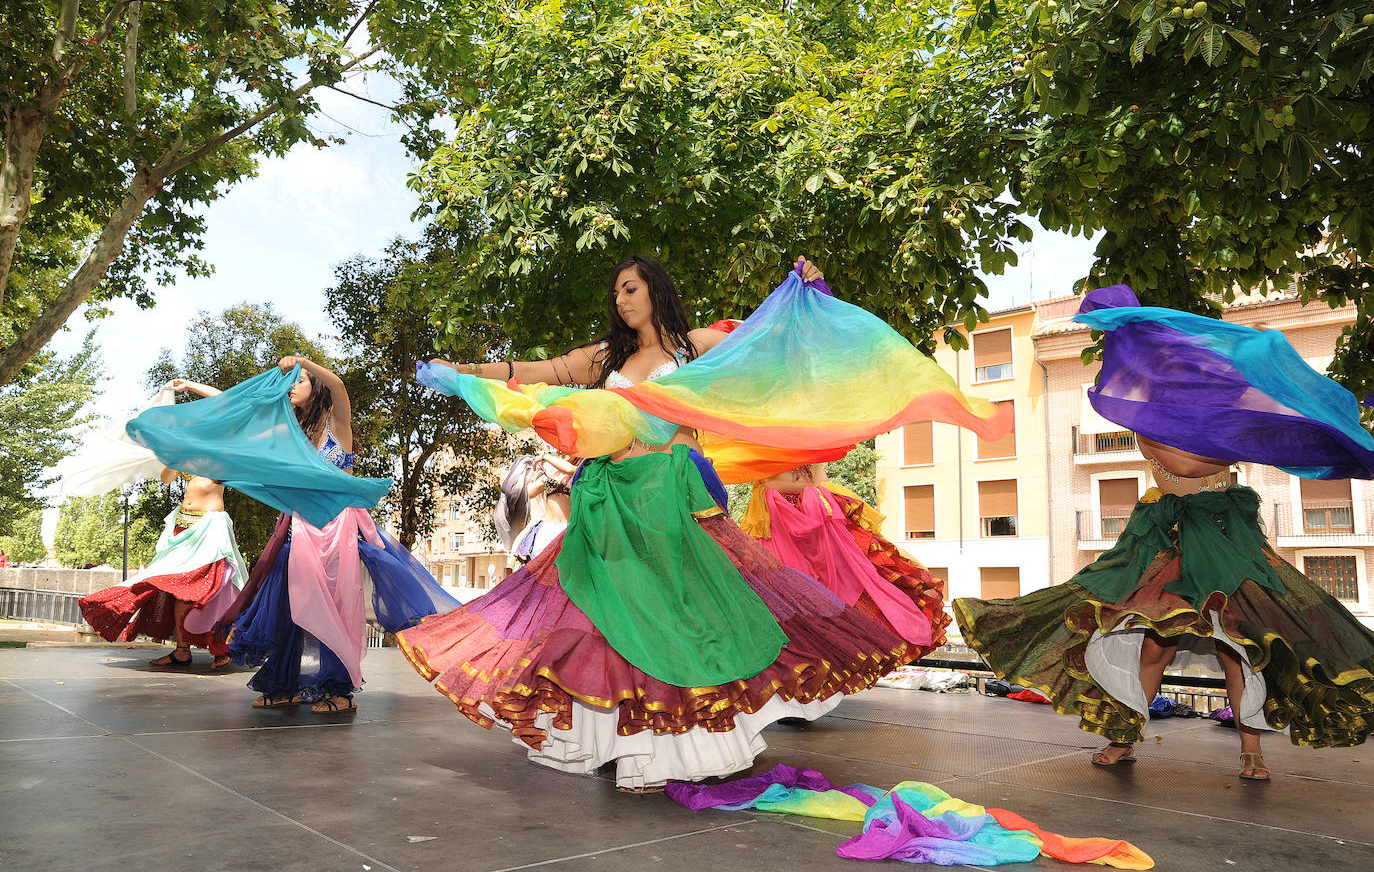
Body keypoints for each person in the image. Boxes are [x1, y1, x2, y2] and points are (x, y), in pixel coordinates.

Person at [400, 256, 917, 791]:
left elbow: (770, 346)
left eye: (630, 288)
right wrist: (463, 373)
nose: (621, 300)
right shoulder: (604, 357)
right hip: (611, 499)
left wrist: (806, 294)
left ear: (654, 289)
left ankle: (672, 753)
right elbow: (529, 375)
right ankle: (629, 751)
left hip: (674, 494)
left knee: (681, 614)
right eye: (616, 293)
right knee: (613, 617)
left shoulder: (693, 346)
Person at [954, 286, 1374, 782]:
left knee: (1237, 649)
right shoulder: (1151, 423)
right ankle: (1124, 740)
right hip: (1163, 535)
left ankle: (1252, 752)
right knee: (1155, 644)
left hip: (1220, 534)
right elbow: (1176, 460)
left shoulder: (1214, 428)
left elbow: (1196, 461)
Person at [224, 357, 459, 714]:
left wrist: (302, 361)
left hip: (336, 531)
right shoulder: (294, 435)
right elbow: (247, 419)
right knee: (290, 603)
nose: (290, 387)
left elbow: (338, 386)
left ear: (314, 386)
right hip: (298, 526)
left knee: (336, 605)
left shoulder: (338, 426)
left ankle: (340, 689)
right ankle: (284, 684)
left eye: (297, 381)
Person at [78, 379, 248, 669]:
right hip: (182, 530)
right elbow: (166, 477)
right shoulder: (189, 456)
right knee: (174, 588)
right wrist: (177, 450)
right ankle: (182, 650)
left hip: (209, 532)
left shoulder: (225, 454)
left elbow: (230, 403)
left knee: (210, 591)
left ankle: (222, 647)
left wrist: (191, 386)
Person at [742, 463, 949, 660]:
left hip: (823, 529)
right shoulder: (764, 451)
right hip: (781, 525)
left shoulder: (807, 450)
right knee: (788, 593)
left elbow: (819, 479)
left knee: (853, 578)